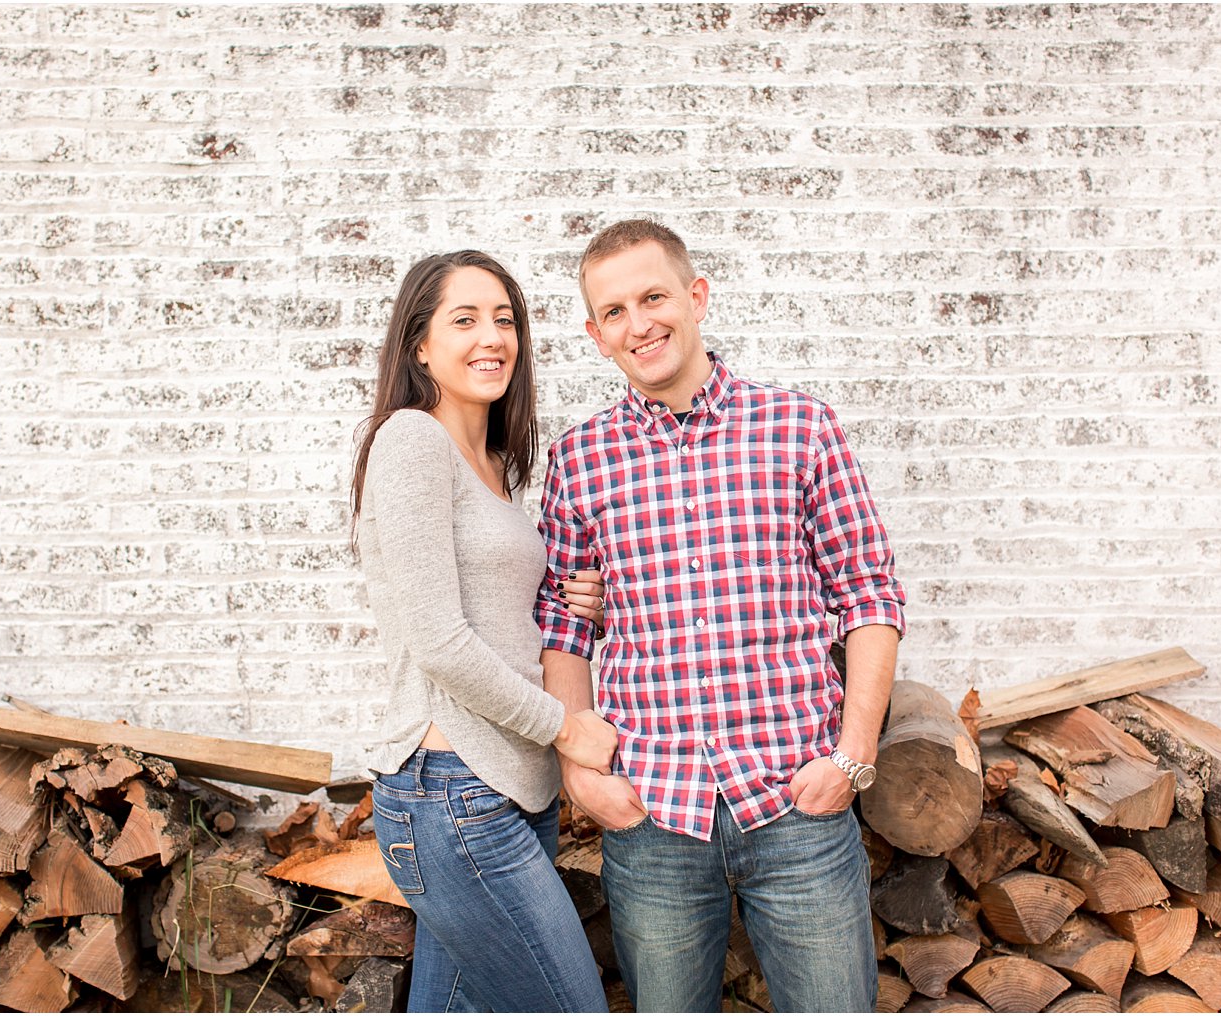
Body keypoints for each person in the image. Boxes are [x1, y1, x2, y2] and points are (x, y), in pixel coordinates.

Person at [535, 219, 906, 1012]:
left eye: (654, 296)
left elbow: (868, 593)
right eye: (614, 311)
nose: (640, 324)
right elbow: (564, 624)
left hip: (796, 802)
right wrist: (580, 770)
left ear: (696, 297)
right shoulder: (580, 459)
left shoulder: (800, 428)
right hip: (653, 815)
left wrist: (852, 756)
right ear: (597, 336)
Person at [351, 250, 614, 1012]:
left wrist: (569, 596)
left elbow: (489, 607)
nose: (491, 336)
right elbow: (438, 639)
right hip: (453, 797)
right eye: (463, 319)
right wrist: (564, 728)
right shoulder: (411, 441)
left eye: (504, 319)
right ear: (419, 345)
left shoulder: (495, 460)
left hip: (503, 790)